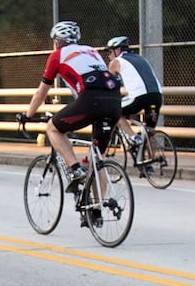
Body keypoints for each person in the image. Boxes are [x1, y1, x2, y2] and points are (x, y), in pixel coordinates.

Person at [17, 20, 121, 185]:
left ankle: (74, 168)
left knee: (52, 128)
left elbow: (41, 93)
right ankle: (97, 208)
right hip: (115, 102)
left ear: (57, 42)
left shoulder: (57, 56)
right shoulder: (91, 51)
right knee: (97, 160)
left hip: (91, 101)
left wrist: (27, 115)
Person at [105, 36, 163, 153]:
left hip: (140, 96)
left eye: (110, 52)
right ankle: (151, 162)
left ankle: (133, 137)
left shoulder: (115, 62)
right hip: (156, 96)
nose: (109, 56)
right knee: (149, 131)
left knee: (113, 111)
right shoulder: (142, 59)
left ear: (118, 50)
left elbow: (110, 85)